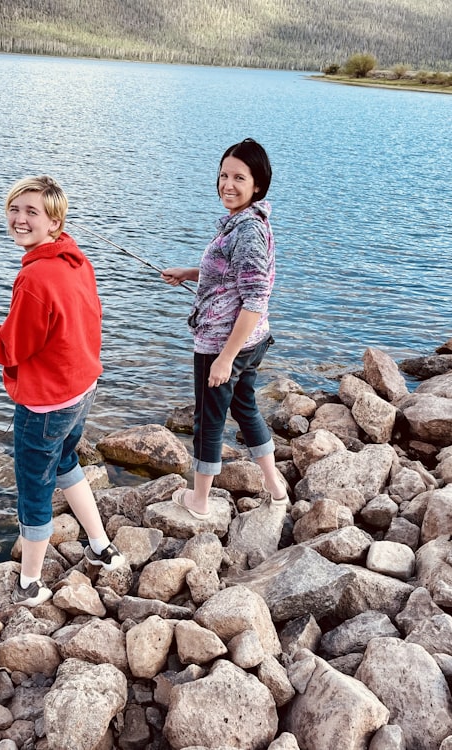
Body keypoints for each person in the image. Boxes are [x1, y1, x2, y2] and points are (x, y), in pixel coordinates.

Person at [0, 175, 126, 606]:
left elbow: (7, 348)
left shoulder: (36, 278)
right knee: (67, 462)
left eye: (31, 212)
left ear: (54, 222)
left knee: (34, 490)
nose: (19, 219)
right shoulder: (77, 260)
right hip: (82, 391)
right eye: (14, 209)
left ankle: (30, 584)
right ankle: (101, 546)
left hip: (46, 405)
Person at [161, 138, 289, 520]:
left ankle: (198, 501)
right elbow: (235, 276)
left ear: (258, 185)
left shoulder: (247, 232)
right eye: (223, 175)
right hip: (252, 340)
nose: (227, 185)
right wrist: (191, 272)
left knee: (209, 420)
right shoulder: (249, 223)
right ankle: (274, 485)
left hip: (224, 343)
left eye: (239, 177)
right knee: (245, 408)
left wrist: (225, 359)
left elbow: (255, 299)